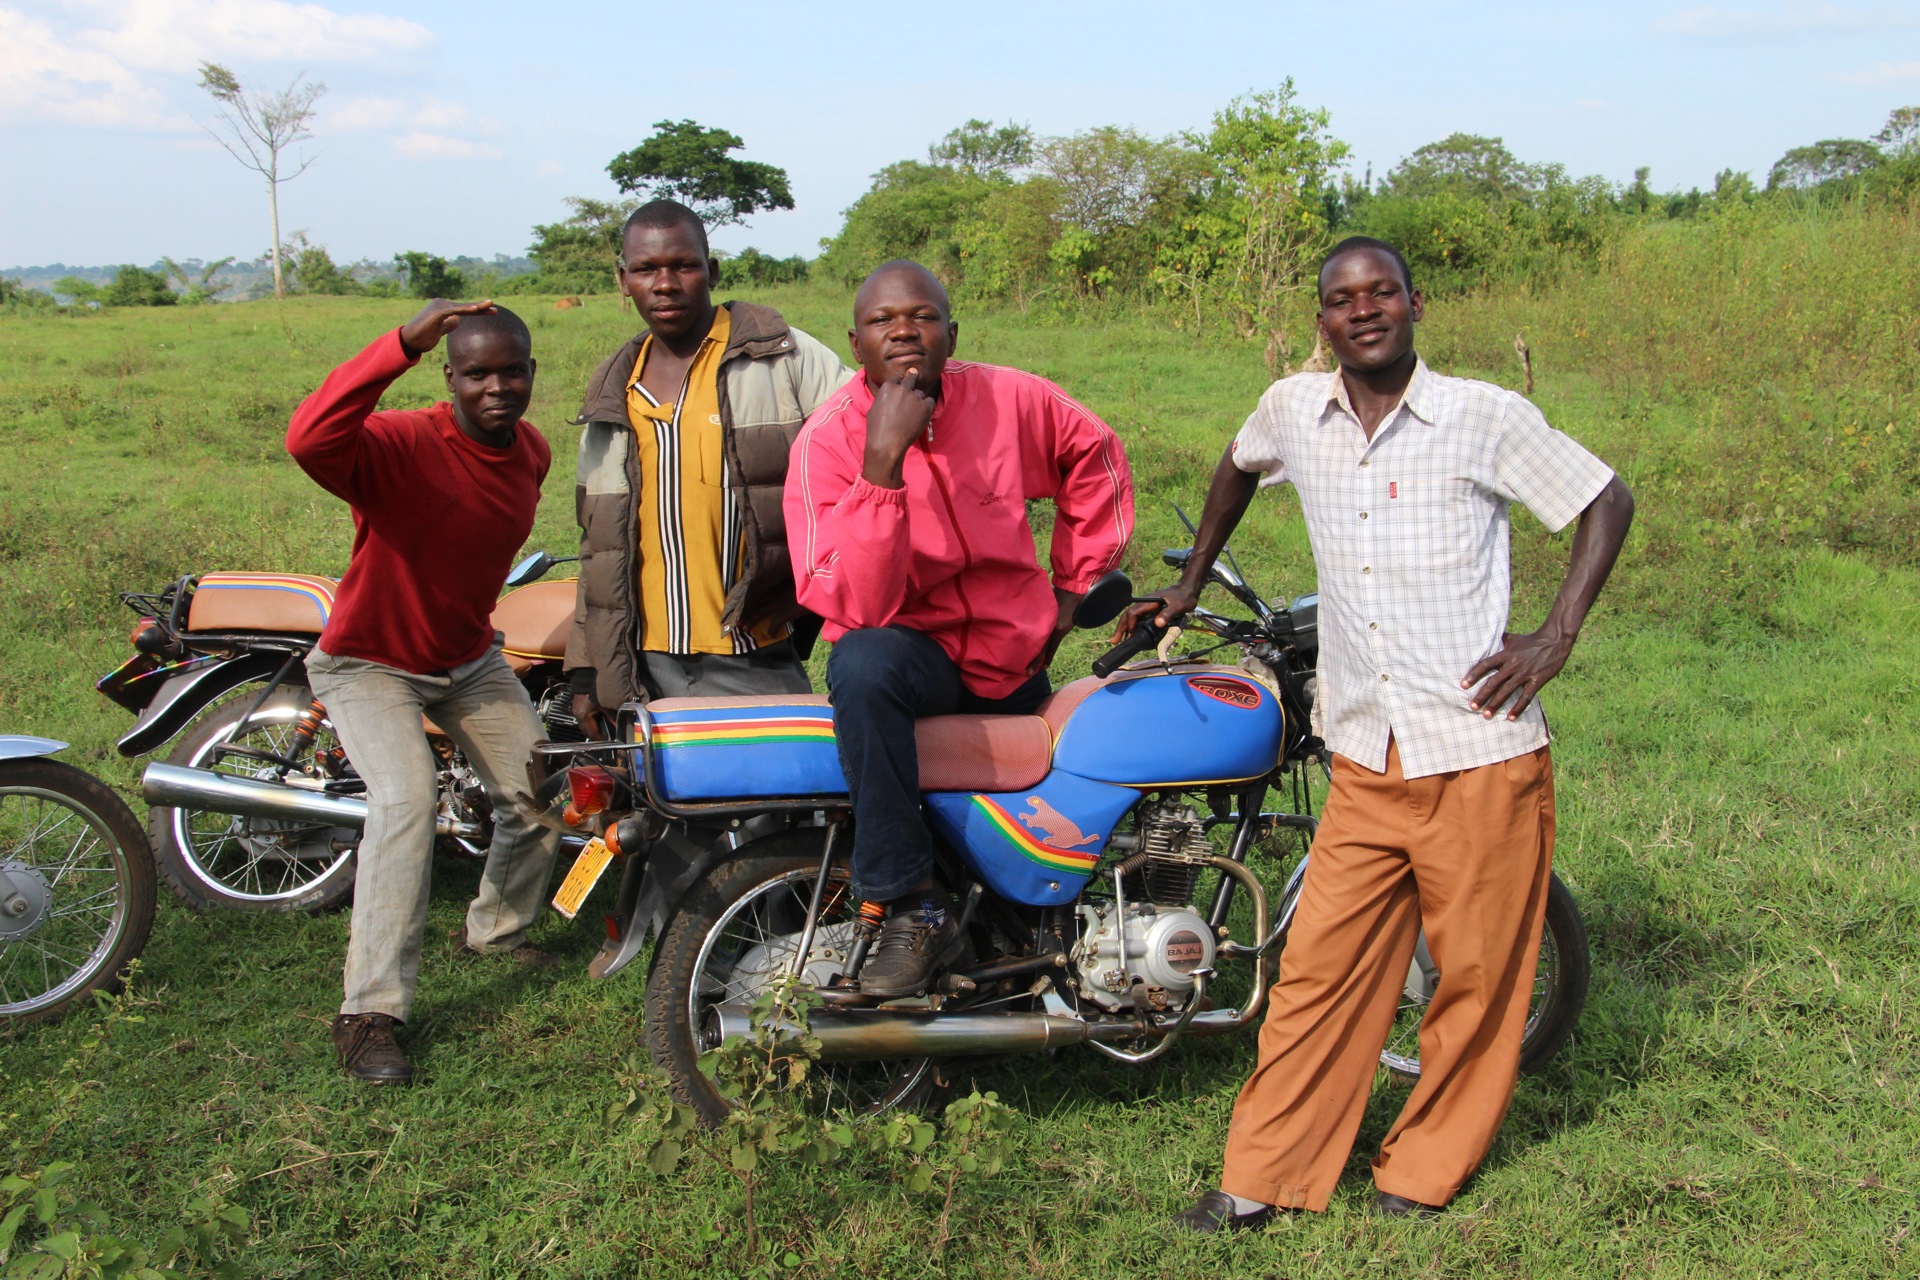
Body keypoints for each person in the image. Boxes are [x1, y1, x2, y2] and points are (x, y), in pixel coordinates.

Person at [1146, 237, 1634, 1227]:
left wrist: (1557, 634)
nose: (1362, 310)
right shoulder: (1295, 408)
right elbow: (1237, 465)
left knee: (1478, 978)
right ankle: (1263, 1178)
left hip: (1479, 749)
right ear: (1321, 318)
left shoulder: (1480, 415)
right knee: (1317, 972)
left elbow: (1603, 498)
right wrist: (1193, 577)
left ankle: (1421, 1168)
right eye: (1340, 298)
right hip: (1366, 753)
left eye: (1381, 293)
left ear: (1416, 304)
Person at [785, 260, 1135, 998]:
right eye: (883, 320)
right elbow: (853, 601)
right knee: (862, 662)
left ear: (953, 333)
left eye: (923, 315)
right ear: (856, 343)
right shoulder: (828, 442)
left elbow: (1093, 453)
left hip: (1016, 653)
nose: (905, 330)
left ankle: (1038, 957)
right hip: (916, 655)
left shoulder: (1013, 399)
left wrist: (1072, 588)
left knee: (1042, 859)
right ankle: (911, 905)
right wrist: (883, 461)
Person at [288, 299, 562, 1086]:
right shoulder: (403, 442)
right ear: (450, 378)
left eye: (512, 370)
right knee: (406, 802)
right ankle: (369, 1014)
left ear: (532, 373)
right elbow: (309, 437)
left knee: (538, 786)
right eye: (477, 373)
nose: (497, 387)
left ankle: (496, 931)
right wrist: (399, 343)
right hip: (368, 661)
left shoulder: (532, 451)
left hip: (466, 659)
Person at [566, 199, 852, 724]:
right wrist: (588, 673)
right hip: (644, 661)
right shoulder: (613, 390)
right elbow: (598, 546)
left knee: (783, 798)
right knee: (658, 803)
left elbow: (865, 464)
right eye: (647, 269)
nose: (665, 283)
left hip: (755, 649)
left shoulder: (783, 358)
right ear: (624, 279)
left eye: (684, 265)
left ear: (712, 270)